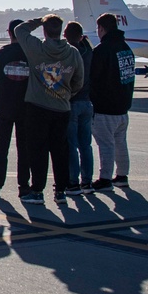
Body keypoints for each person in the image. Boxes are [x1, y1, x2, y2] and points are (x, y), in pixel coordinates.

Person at [14, 15, 84, 205]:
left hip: (38, 107)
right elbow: (79, 80)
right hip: (61, 107)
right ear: (61, 31)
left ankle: (37, 190)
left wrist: (37, 20)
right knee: (60, 150)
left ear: (45, 30)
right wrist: (66, 94)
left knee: (38, 151)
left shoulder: (37, 49)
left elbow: (20, 30)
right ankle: (60, 190)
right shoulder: (73, 53)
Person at [90, 12, 136, 192]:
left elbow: (93, 77)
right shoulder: (126, 48)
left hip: (105, 107)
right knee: (120, 143)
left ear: (101, 28)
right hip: (123, 106)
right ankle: (122, 175)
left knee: (106, 144)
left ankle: (105, 178)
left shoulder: (102, 50)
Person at [0, 19, 30, 199]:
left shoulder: (0, 54)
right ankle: (24, 185)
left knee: (2, 147)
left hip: (4, 106)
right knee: (24, 148)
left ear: (9, 33)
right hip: (26, 107)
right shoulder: (31, 54)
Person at [63, 21, 95, 196]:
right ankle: (87, 182)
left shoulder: (68, 53)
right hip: (87, 101)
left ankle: (73, 182)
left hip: (72, 101)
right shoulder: (87, 51)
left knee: (71, 145)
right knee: (86, 145)